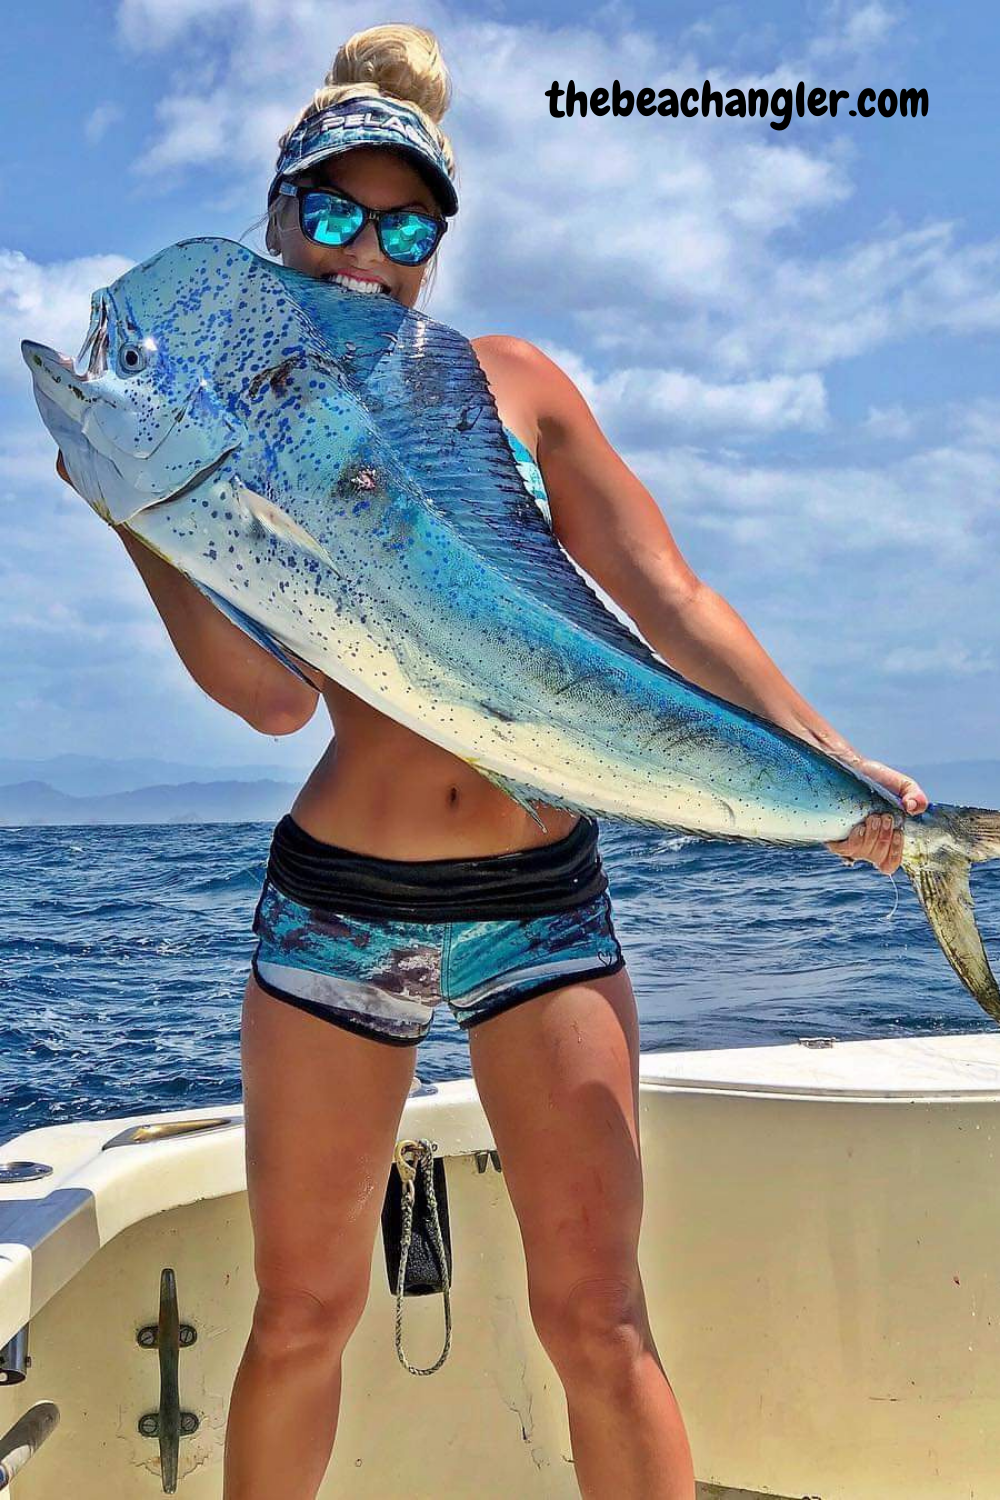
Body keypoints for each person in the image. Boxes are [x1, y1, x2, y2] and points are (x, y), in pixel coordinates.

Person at [57, 24, 928, 1500]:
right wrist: (136, 513)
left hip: (547, 908)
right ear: (276, 221)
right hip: (340, 908)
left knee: (600, 1317)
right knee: (303, 1319)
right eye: (331, 212)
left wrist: (831, 766)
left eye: (405, 225)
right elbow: (273, 705)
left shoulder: (520, 385)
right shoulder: (255, 424)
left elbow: (672, 599)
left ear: (438, 246)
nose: (364, 250)